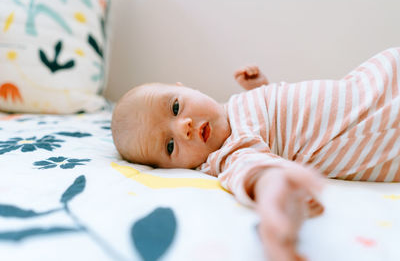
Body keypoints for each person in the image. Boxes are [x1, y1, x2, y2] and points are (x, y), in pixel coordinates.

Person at [111, 47, 400, 261]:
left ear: (183, 88)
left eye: (175, 107)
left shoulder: (234, 105)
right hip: (381, 125)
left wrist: (261, 88)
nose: (183, 127)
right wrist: (276, 203)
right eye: (170, 146)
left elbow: (281, 114)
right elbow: (258, 172)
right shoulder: (230, 152)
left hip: (381, 76)